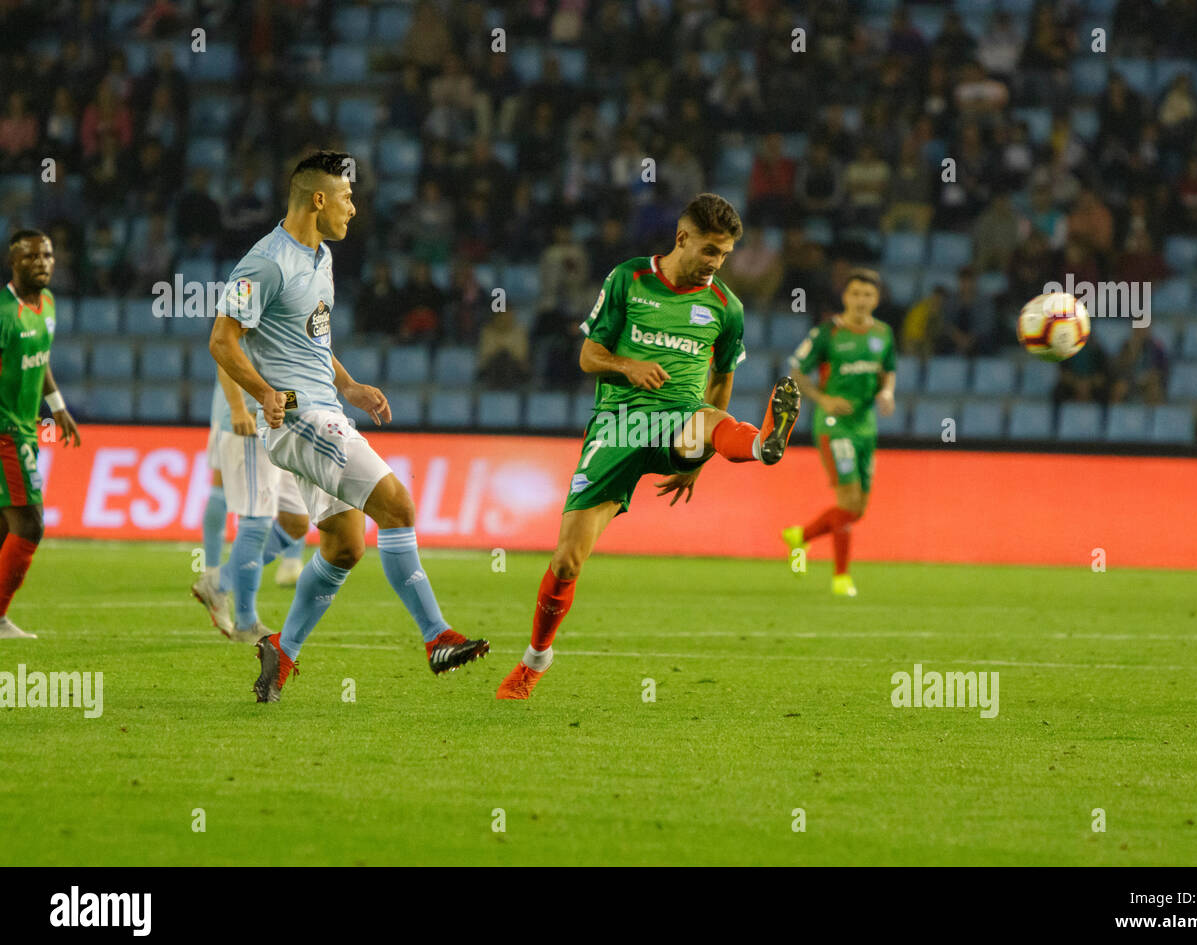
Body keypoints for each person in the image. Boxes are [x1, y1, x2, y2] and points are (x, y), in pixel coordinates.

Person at [495, 193, 800, 701]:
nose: (716, 264)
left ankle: (763, 445)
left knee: (713, 422)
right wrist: (628, 366)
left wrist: (700, 458)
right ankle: (535, 660)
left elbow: (719, 388)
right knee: (568, 560)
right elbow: (589, 355)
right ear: (682, 238)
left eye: (723, 255)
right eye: (709, 251)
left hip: (682, 420)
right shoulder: (629, 279)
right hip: (617, 427)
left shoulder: (727, 307)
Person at [208, 150, 487, 702]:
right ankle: (436, 638)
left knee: (343, 547)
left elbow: (312, 340)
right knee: (398, 506)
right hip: (299, 417)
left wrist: (350, 386)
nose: (353, 209)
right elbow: (222, 340)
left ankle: (280, 654)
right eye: (346, 197)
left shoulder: (322, 258)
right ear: (318, 199)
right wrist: (265, 393)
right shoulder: (263, 263)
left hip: (324, 408)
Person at [781, 270, 896, 597]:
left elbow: (888, 372)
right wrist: (823, 399)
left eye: (868, 295)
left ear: (876, 299)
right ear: (845, 297)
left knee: (858, 508)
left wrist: (887, 393)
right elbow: (796, 370)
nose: (861, 301)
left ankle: (800, 536)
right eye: (856, 294)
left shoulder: (884, 334)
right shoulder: (827, 332)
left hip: (865, 425)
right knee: (847, 501)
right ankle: (841, 577)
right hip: (834, 426)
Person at [0, 230, 81, 638]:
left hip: (26, 428)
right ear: (13, 262)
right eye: (32, 257)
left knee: (4, 526)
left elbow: (40, 357)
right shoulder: (3, 312)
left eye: (48, 255)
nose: (43, 262)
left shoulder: (47, 304)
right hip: (5, 433)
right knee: (30, 524)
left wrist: (58, 406)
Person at [191, 373, 310, 643]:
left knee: (297, 521)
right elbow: (224, 347)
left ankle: (219, 581)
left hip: (288, 420)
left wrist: (346, 385)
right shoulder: (249, 330)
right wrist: (236, 408)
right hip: (250, 416)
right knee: (253, 517)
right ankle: (246, 621)